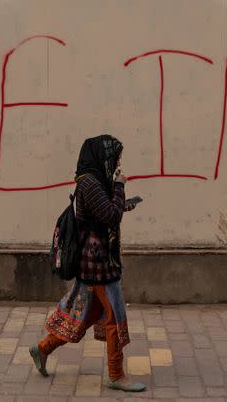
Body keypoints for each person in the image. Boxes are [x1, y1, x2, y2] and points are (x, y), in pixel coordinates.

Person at [29, 134, 145, 392]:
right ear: (101, 156)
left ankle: (42, 348)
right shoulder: (91, 183)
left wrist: (123, 203)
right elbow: (110, 216)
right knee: (114, 315)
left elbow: (104, 213)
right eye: (115, 157)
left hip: (96, 262)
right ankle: (115, 374)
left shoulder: (93, 182)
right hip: (98, 265)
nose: (117, 164)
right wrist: (119, 185)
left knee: (86, 315)